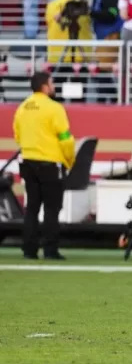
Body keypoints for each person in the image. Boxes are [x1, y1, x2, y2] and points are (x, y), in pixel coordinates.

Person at [13, 72, 76, 260]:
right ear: (44, 86)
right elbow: (65, 138)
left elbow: (17, 135)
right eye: (52, 83)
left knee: (32, 207)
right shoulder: (54, 108)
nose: (53, 86)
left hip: (27, 161)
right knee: (51, 208)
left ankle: (29, 249)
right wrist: (69, 159)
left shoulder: (22, 108)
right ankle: (50, 249)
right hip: (50, 162)